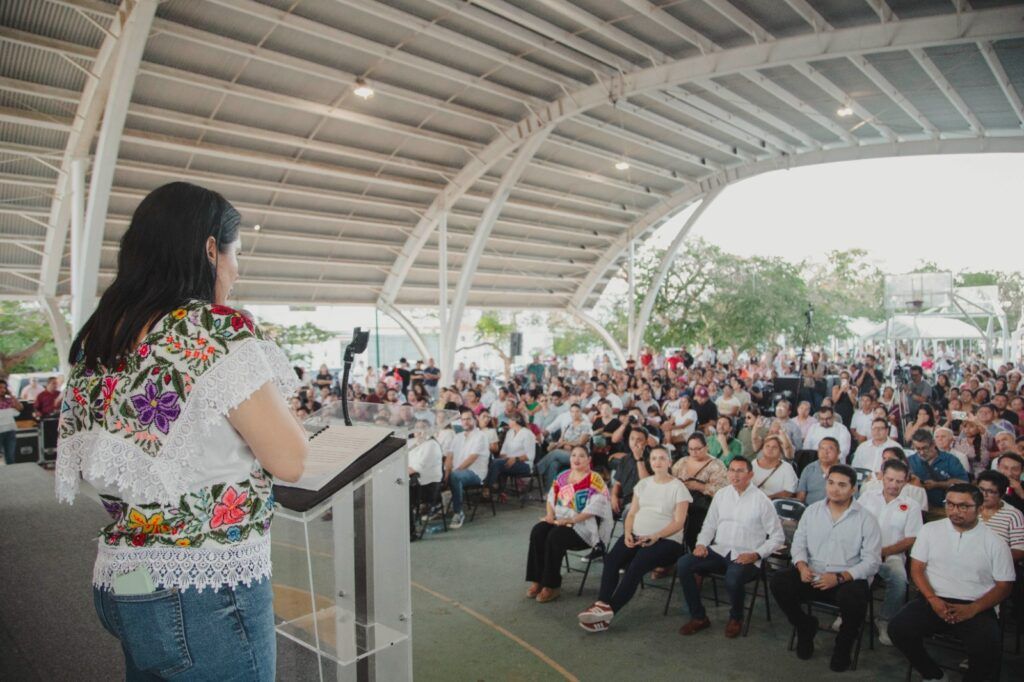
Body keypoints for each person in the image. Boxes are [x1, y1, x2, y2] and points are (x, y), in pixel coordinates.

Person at [57, 182, 308, 679]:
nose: (237, 271)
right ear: (210, 249)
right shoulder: (211, 329)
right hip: (201, 590)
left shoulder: (101, 335)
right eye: (236, 253)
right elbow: (290, 459)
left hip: (125, 580)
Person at [888, 484, 1016, 682]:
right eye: (950, 504)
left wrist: (972, 609)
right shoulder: (930, 530)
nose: (956, 511)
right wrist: (932, 599)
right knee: (898, 629)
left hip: (976, 605)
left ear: (980, 509)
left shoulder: (995, 542)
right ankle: (934, 675)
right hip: (933, 599)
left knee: (989, 650)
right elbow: (917, 569)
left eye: (964, 506)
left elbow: (1004, 586)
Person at [770, 464, 882, 673]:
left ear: (853, 489)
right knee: (779, 581)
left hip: (846, 579)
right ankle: (804, 625)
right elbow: (799, 545)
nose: (835, 489)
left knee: (855, 598)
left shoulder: (866, 519)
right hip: (813, 574)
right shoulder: (812, 511)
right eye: (831, 483)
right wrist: (802, 566)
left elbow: (872, 562)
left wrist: (840, 577)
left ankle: (844, 645)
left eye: (842, 485)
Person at [577, 447, 689, 632]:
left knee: (637, 565)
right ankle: (602, 604)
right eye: (653, 458)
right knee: (612, 560)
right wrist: (628, 533)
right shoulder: (643, 484)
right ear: (649, 462)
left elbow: (679, 522)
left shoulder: (678, 487)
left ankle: (608, 613)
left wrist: (656, 536)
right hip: (636, 535)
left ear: (670, 462)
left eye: (662, 458)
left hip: (667, 540)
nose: (657, 462)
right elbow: (632, 514)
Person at [677, 456, 784, 638]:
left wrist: (757, 554)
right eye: (732, 470)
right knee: (684, 564)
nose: (735, 475)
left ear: (750, 474)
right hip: (720, 550)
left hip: (746, 555)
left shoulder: (761, 500)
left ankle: (736, 617)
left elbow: (778, 537)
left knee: (732, 578)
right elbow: (709, 525)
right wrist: (702, 544)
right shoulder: (721, 494)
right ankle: (699, 616)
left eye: (740, 471)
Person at [526, 446, 612, 603]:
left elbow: (596, 508)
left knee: (555, 536)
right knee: (538, 531)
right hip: (560, 520)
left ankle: (552, 585)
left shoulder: (595, 479)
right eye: (573, 455)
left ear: (588, 459)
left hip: (583, 527)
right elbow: (551, 498)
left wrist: (572, 520)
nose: (576, 459)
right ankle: (537, 579)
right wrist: (550, 515)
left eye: (581, 456)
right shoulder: (562, 476)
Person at [857, 459, 923, 645]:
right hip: (861, 552)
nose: (893, 485)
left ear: (906, 481)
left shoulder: (912, 506)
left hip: (891, 556)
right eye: (890, 479)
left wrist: (882, 551)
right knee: (847, 572)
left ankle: (884, 620)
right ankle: (849, 612)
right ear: (882, 477)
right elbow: (853, 524)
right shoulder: (867, 497)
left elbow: (911, 539)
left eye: (899, 481)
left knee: (900, 581)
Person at [672, 432, 728, 550]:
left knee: (694, 525)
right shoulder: (682, 461)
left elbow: (722, 491)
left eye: (698, 449)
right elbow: (670, 479)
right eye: (691, 449)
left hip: (702, 506)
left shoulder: (717, 465)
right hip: (679, 502)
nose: (694, 452)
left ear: (706, 447)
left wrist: (699, 486)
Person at [443, 411, 489, 529]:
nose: (465, 422)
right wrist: (446, 473)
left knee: (455, 476)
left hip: (475, 473)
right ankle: (438, 506)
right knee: (437, 474)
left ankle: (458, 512)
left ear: (475, 420)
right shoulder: (457, 437)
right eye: (463, 419)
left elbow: (471, 458)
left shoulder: (481, 436)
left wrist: (453, 472)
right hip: (457, 472)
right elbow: (449, 456)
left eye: (468, 419)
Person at [907, 430, 968, 511]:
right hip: (917, 509)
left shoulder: (950, 460)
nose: (921, 452)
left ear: (933, 444)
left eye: (925, 448)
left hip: (943, 509)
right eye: (918, 449)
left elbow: (964, 483)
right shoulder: (910, 461)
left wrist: (938, 484)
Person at [538, 403, 591, 489]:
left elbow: (581, 443)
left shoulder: (585, 425)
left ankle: (537, 470)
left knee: (555, 453)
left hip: (578, 455)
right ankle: (549, 492)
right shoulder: (568, 425)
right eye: (572, 412)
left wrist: (566, 443)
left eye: (577, 411)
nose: (575, 414)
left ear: (581, 412)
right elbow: (561, 440)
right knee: (554, 464)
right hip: (565, 452)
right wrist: (556, 444)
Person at [976, 470, 1024, 562]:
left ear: (1001, 494)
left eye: (990, 491)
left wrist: (991, 558)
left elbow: (1019, 550)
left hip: (999, 567)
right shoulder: (968, 509)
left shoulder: (1013, 515)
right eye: (981, 489)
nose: (984, 495)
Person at [486, 413, 534, 491]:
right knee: (493, 461)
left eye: (510, 419)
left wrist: (515, 459)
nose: (508, 421)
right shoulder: (510, 432)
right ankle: (491, 488)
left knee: (497, 463)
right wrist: (506, 458)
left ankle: (487, 489)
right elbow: (503, 451)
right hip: (509, 461)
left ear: (515, 421)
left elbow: (531, 456)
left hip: (525, 465)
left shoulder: (527, 434)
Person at [796, 437, 842, 506]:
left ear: (838, 452)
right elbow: (801, 496)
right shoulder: (809, 469)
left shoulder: (846, 472)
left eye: (830, 449)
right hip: (810, 511)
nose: (825, 452)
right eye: (822, 448)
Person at [752, 434, 798, 499]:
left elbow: (789, 492)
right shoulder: (753, 464)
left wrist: (768, 498)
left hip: (775, 504)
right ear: (762, 449)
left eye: (774, 447)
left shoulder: (787, 468)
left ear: (780, 451)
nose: (770, 449)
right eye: (767, 446)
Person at [0, 378, 23, 465]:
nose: (2, 390)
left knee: (10, 456)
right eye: (0, 388)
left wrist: (11, 395)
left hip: (10, 430)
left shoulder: (8, 400)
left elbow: (20, 408)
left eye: (4, 388)